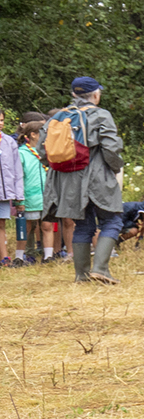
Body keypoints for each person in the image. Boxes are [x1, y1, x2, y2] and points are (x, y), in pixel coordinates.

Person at [45, 77, 128, 285]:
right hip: (97, 176)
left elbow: (42, 151)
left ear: (74, 94)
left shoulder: (58, 116)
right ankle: (100, 269)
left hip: (68, 180)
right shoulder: (101, 115)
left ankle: (81, 276)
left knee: (82, 225)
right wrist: (116, 167)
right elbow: (110, 149)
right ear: (96, 95)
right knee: (112, 220)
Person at [16, 115, 48, 264]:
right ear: (33, 135)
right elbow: (19, 178)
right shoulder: (22, 153)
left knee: (47, 225)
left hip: (46, 197)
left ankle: (48, 256)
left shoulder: (46, 152)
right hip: (30, 197)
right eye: (42, 133)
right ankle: (20, 256)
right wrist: (20, 199)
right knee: (28, 226)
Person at [0, 106, 20, 268]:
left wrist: (18, 195)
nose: (0, 123)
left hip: (4, 193)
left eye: (1, 120)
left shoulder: (9, 141)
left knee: (1, 225)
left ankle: (5, 258)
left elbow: (17, 170)